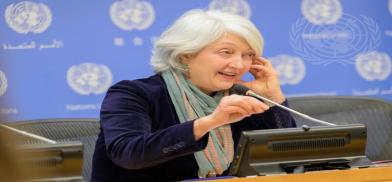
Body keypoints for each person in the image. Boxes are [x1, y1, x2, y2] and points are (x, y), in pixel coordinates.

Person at [91, 9, 296, 181]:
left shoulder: (242, 97)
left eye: (248, 55)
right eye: (226, 52)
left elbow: (289, 159)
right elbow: (130, 154)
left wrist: (273, 97)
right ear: (186, 54)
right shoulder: (133, 94)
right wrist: (211, 122)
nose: (239, 64)